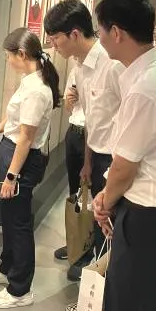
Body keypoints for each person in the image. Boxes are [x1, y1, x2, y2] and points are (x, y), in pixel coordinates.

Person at [92, 0, 156, 311]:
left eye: (99, 30)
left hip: (148, 218)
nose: (99, 37)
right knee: (145, 299)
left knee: (127, 302)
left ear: (116, 32)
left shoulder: (146, 88)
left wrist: (104, 202)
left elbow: (125, 167)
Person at [44, 0, 124, 283]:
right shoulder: (79, 66)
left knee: (108, 216)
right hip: (95, 151)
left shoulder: (112, 64)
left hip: (117, 158)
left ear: (75, 34)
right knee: (87, 203)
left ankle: (101, 269)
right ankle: (85, 251)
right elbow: (91, 119)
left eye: (55, 39)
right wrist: (88, 161)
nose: (53, 46)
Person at [0, 28, 60, 309]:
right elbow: (16, 118)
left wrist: (11, 176)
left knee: (19, 224)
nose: (7, 61)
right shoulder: (31, 81)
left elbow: (26, 137)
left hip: (22, 161)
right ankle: (8, 268)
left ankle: (20, 290)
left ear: (22, 54)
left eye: (8, 56)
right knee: (10, 217)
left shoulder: (37, 90)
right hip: (13, 152)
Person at [52, 63, 87, 263]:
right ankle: (74, 242)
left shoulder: (107, 67)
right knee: (74, 191)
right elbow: (67, 107)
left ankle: (87, 250)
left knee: (89, 193)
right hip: (73, 131)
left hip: (91, 136)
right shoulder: (75, 70)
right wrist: (70, 101)